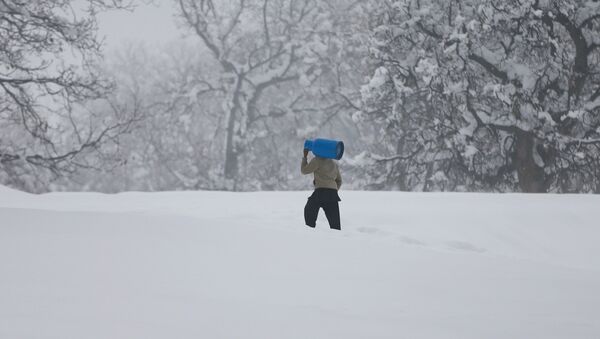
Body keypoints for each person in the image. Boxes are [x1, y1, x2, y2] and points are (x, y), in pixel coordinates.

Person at [301, 148, 342, 230]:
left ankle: (310, 232)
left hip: (320, 192)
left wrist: (305, 156)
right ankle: (338, 239)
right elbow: (339, 181)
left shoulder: (317, 160)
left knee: (309, 211)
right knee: (335, 223)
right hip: (333, 194)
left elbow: (304, 170)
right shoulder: (334, 163)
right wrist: (332, 189)